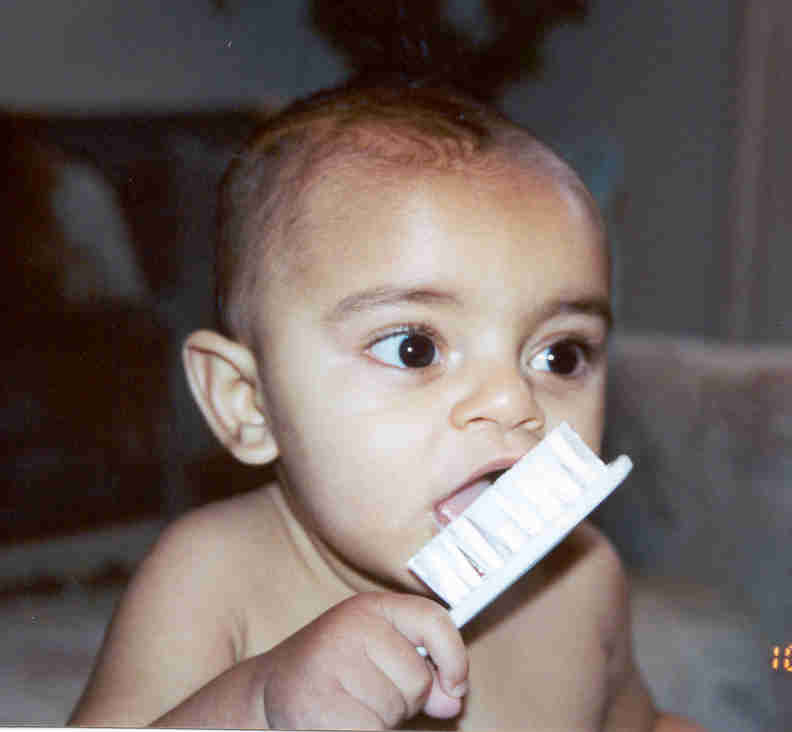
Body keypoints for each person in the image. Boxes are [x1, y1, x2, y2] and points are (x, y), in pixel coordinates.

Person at [69, 81, 705, 730]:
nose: (514, 403)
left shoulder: (583, 577)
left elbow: (641, 723)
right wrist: (259, 705)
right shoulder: (211, 579)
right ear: (248, 403)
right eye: (414, 349)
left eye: (560, 355)